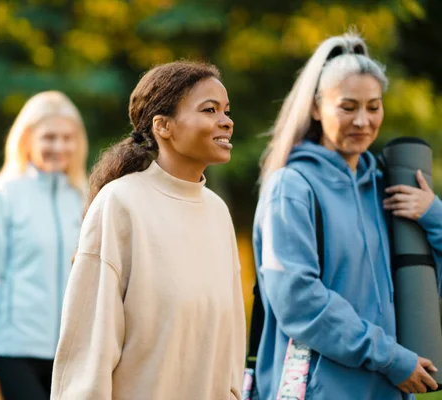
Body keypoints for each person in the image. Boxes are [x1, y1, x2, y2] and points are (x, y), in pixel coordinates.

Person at [252, 32, 442, 400]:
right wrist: (390, 358)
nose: (363, 121)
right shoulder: (291, 186)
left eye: (373, 107)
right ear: (316, 107)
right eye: (348, 106)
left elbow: (428, 287)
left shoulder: (385, 189)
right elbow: (298, 300)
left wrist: (433, 214)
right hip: (317, 391)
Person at [51, 61, 246, 399]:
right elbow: (89, 347)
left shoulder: (217, 212)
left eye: (226, 111)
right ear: (163, 126)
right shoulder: (120, 204)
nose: (226, 121)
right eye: (209, 110)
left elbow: (229, 344)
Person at [0, 91, 89, 400]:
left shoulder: (86, 196)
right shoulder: (2, 194)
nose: (59, 147)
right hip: (13, 350)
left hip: (72, 352)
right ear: (27, 139)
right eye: (49, 137)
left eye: (67, 138)